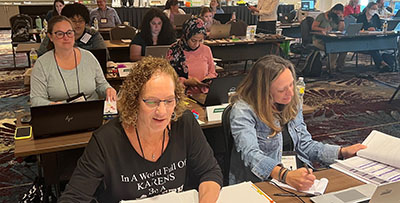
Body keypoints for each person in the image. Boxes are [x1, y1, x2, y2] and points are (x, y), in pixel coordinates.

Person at [58, 57, 223, 202]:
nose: (162, 111)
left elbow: (210, 171)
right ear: (134, 101)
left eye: (169, 100)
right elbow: (74, 197)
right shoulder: (106, 141)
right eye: (151, 101)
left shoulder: (185, 123)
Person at [228, 55, 367, 190]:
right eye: (282, 90)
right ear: (263, 91)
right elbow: (251, 155)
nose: (291, 93)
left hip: (293, 174)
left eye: (291, 85)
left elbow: (305, 145)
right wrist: (285, 175)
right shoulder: (243, 110)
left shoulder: (292, 104)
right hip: (261, 182)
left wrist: (341, 152)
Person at [30, 16, 116, 107]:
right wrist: (53, 105)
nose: (66, 37)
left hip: (91, 111)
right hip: (60, 114)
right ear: (50, 37)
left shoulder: (89, 57)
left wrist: (108, 89)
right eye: (60, 34)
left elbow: (101, 84)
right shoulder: (42, 64)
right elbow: (36, 99)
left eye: (69, 33)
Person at [166, 17, 217, 94]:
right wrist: (186, 82)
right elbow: (168, 77)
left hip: (203, 94)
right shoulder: (174, 50)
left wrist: (207, 79)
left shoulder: (206, 49)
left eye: (200, 40)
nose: (196, 44)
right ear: (186, 36)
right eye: (193, 40)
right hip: (182, 95)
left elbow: (212, 72)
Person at [37, 3, 107, 56]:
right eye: (73, 21)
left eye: (81, 20)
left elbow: (104, 55)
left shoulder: (92, 34)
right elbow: (41, 55)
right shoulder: (55, 34)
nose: (77, 24)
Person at [357, 2, 392, 72]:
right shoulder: (361, 17)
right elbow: (357, 29)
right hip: (362, 40)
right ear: (368, 8)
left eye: (376, 9)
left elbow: (379, 27)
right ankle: (382, 63)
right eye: (373, 9)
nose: (374, 11)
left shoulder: (376, 17)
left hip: (374, 38)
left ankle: (381, 64)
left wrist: (375, 29)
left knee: (373, 47)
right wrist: (367, 29)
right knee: (373, 47)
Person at [312, 3, 347, 73]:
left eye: (339, 13)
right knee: (333, 48)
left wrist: (341, 19)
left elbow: (341, 30)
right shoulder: (321, 16)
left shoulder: (336, 18)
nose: (337, 14)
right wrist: (323, 29)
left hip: (333, 40)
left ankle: (340, 67)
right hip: (319, 40)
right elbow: (313, 27)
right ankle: (331, 68)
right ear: (333, 10)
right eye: (337, 13)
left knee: (344, 49)